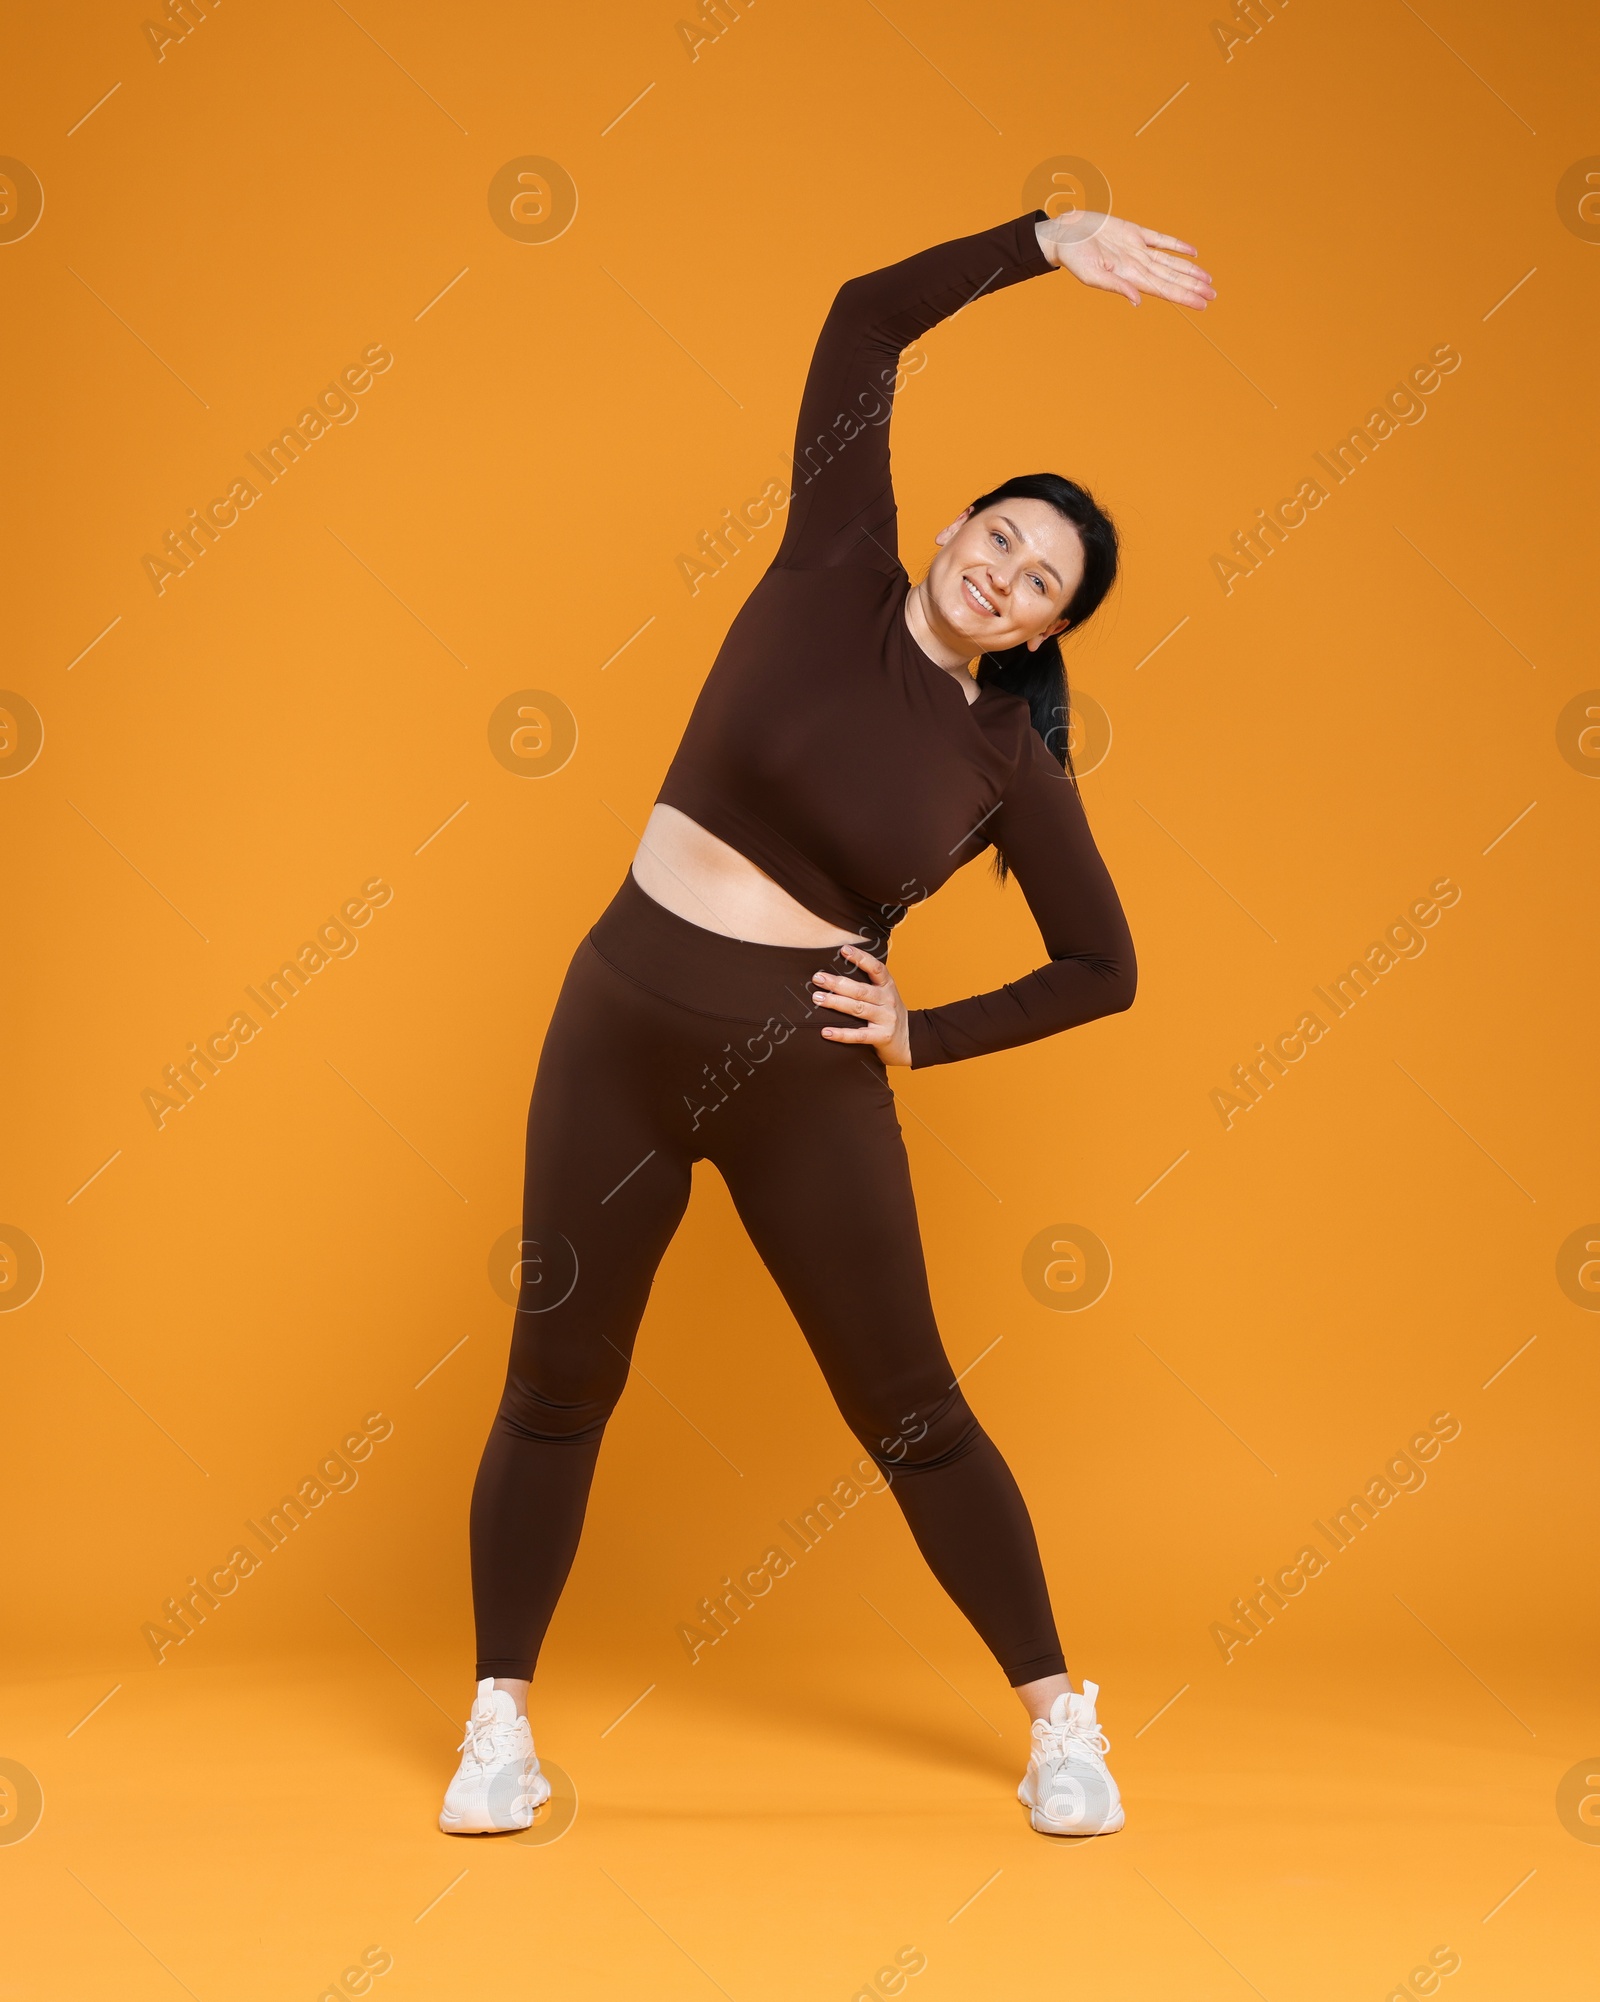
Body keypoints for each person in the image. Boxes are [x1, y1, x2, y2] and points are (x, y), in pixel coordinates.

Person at [440, 201, 1215, 1840]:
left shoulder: (1010, 762)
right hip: (618, 1023)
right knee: (553, 1378)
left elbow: (1104, 967)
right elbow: (863, 317)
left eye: (1041, 585)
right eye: (1003, 535)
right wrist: (1044, 238)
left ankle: (1061, 1718)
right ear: (956, 525)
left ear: (1048, 631)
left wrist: (924, 1035)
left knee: (912, 1404)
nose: (1004, 573)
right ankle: (497, 1720)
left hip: (802, 1075)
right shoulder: (831, 559)